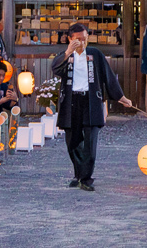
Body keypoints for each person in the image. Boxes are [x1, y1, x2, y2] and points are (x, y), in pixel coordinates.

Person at [51, 24, 132, 190]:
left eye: (84, 39)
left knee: (90, 142)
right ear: (70, 39)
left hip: (91, 101)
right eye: (77, 39)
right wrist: (68, 52)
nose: (82, 42)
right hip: (71, 102)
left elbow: (108, 76)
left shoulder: (95, 54)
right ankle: (79, 174)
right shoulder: (65, 56)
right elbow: (56, 69)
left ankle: (86, 178)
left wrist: (121, 97)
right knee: (72, 143)